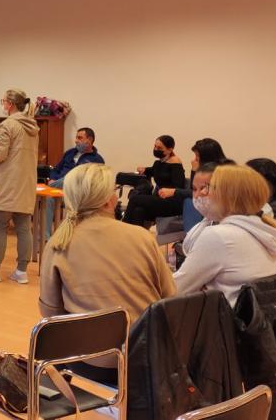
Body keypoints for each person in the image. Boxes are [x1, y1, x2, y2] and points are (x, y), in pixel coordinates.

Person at [39, 163, 176, 385]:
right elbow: (170, 298)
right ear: (106, 201)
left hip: (90, 360)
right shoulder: (142, 237)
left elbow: (51, 314)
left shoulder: (57, 244)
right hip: (147, 356)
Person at [174, 165, 276, 306]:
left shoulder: (218, 235)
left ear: (227, 196)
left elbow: (176, 289)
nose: (202, 195)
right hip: (262, 317)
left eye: (209, 188)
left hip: (228, 318)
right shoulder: (263, 229)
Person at [0, 89, 39, 284]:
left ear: (10, 104)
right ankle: (21, 272)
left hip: (7, 183)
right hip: (25, 183)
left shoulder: (7, 125)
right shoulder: (33, 127)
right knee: (24, 228)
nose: (2, 104)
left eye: (3, 101)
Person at [43, 127, 104, 238]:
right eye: (76, 137)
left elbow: (96, 181)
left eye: (80, 138)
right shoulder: (70, 153)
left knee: (69, 178)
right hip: (59, 189)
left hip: (78, 192)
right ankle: (45, 236)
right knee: (48, 197)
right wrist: (52, 178)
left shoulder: (97, 160)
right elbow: (56, 169)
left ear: (89, 140)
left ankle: (48, 187)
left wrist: (58, 182)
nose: (76, 141)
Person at [122, 135, 187, 226]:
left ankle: (123, 227)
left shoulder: (175, 164)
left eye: (159, 148)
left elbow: (179, 186)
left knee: (134, 199)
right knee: (139, 210)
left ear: (170, 150)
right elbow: (154, 171)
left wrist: (168, 191)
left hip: (172, 202)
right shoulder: (159, 162)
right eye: (155, 146)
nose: (156, 149)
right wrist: (144, 169)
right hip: (160, 198)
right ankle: (134, 234)